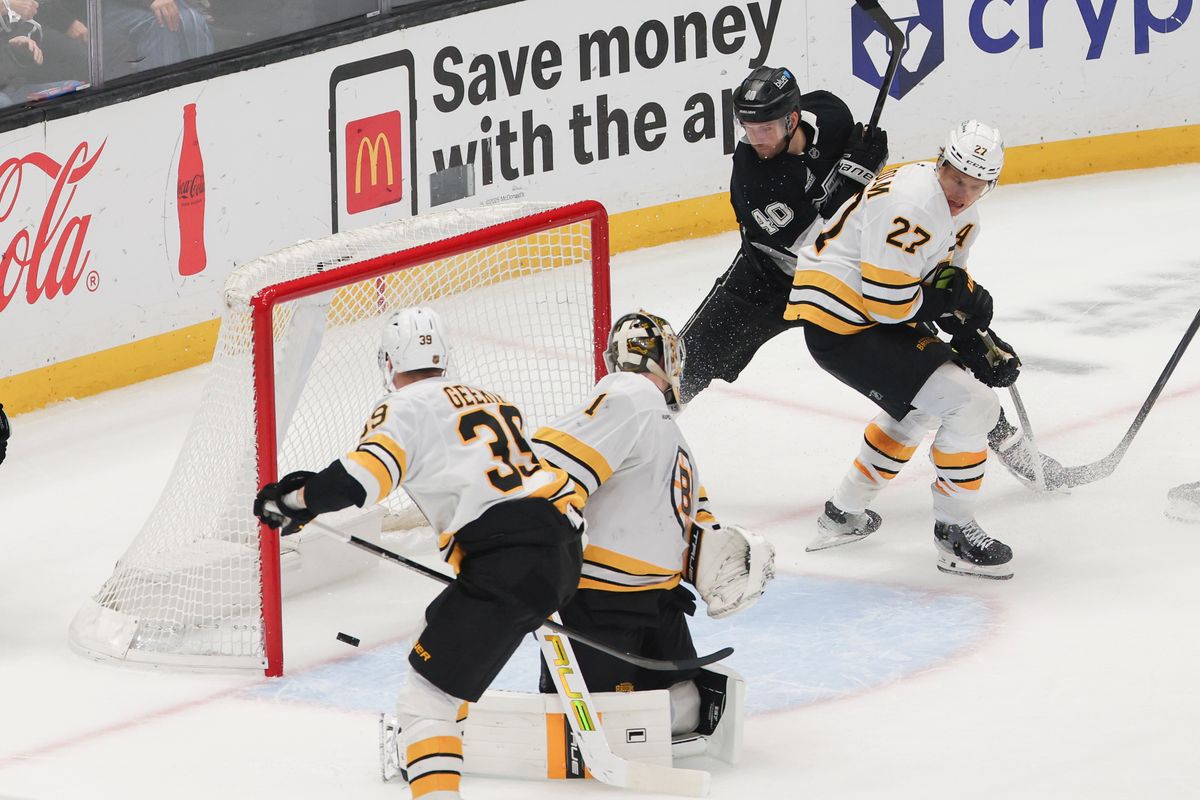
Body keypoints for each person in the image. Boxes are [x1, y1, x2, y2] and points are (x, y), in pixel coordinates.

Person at [254, 307, 585, 800]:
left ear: (388, 362)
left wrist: (293, 501)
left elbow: (361, 479)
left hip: (504, 559)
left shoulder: (403, 406)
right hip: (563, 546)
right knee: (435, 641)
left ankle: (432, 751)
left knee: (425, 699)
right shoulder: (492, 398)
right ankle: (433, 748)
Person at [783, 120, 1023, 580]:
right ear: (941, 162)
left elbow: (938, 286)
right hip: (845, 325)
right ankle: (953, 534)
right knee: (972, 404)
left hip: (861, 319)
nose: (963, 192)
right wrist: (955, 304)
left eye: (976, 186)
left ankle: (843, 514)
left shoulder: (957, 213)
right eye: (957, 179)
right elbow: (891, 305)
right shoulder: (912, 206)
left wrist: (974, 337)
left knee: (922, 408)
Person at [530, 311, 774, 737]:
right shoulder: (629, 396)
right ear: (665, 359)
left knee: (684, 711)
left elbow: (690, 510)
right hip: (603, 602)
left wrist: (710, 549)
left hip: (656, 602)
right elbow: (550, 464)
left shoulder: (662, 425)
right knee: (591, 729)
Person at [677, 65, 889, 404]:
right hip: (766, 281)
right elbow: (820, 248)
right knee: (680, 370)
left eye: (766, 128)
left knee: (918, 360)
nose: (756, 138)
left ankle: (993, 431)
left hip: (845, 277)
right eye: (748, 128)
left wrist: (865, 171)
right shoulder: (753, 179)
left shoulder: (831, 115)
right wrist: (854, 183)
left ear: (792, 119)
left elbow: (857, 222)